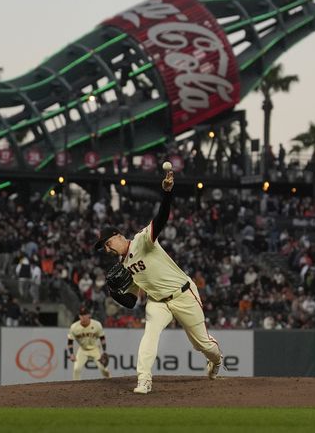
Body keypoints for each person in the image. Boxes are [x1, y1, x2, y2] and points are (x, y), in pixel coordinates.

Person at [95, 168, 222, 394]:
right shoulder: (123, 266)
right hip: (158, 303)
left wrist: (167, 194)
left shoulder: (142, 241)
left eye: (107, 243)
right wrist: (115, 294)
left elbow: (161, 218)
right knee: (149, 336)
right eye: (104, 247)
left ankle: (216, 359)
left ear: (118, 236)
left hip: (183, 293)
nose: (106, 249)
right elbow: (131, 302)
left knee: (203, 345)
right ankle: (144, 380)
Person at [67, 305, 110, 380]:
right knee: (76, 369)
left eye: (85, 314)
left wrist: (104, 351)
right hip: (82, 350)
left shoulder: (96, 325)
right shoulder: (74, 327)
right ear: (79, 316)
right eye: (81, 315)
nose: (83, 317)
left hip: (95, 349)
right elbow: (70, 342)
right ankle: (75, 388)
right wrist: (71, 354)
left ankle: (110, 383)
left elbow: (102, 338)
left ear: (89, 315)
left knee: (104, 369)